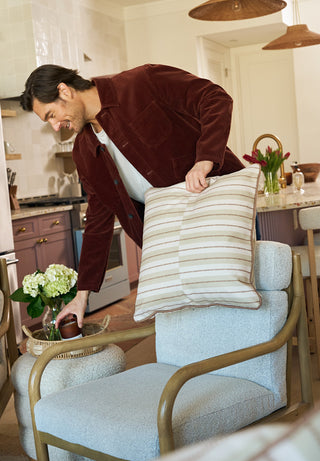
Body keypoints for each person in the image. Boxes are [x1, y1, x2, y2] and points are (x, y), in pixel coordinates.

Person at [20, 63, 244, 327]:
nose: (56, 126)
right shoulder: (84, 150)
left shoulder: (142, 82)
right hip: (170, 239)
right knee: (193, 319)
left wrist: (205, 159)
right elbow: (97, 220)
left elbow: (215, 98)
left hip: (218, 210)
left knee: (238, 299)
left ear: (64, 91)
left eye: (51, 115)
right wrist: (82, 295)